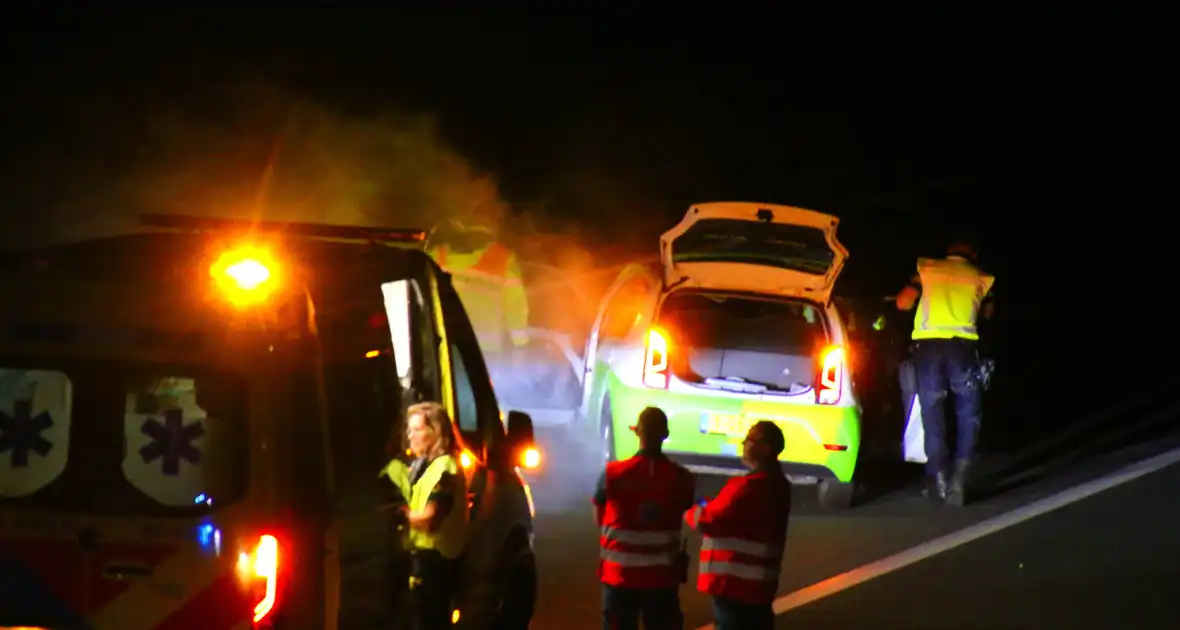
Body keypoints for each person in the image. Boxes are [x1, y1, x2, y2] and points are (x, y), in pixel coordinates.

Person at [895, 234, 995, 506]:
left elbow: (903, 302)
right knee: (968, 413)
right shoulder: (982, 277)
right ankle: (960, 480)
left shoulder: (927, 269)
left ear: (949, 250)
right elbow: (987, 314)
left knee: (932, 413)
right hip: (963, 348)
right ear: (973, 253)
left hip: (927, 350)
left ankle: (937, 480)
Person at [593, 406, 696, 630]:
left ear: (637, 431)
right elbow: (686, 509)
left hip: (619, 575)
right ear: (665, 435)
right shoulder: (681, 478)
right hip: (662, 579)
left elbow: (600, 517)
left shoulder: (612, 474)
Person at [685, 421, 791, 630]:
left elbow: (707, 520)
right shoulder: (778, 485)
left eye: (750, 439)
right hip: (760, 586)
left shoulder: (747, 486)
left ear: (766, 447)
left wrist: (691, 508)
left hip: (734, 585)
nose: (744, 443)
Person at [381, 402, 470, 630]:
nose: (410, 436)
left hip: (437, 562)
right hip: (422, 558)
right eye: (409, 430)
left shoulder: (445, 468)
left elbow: (430, 517)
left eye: (417, 430)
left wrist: (396, 515)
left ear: (435, 431)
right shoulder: (422, 465)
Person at [427, 197, 530, 372]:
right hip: (485, 349)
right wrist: (520, 345)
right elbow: (515, 306)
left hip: (443, 344)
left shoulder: (436, 256)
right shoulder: (503, 258)